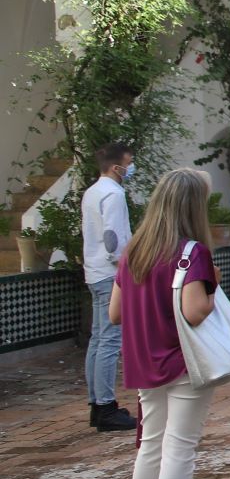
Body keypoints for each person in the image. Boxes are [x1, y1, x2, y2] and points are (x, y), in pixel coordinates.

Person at [110, 167, 223, 479]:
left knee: (151, 445)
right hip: (182, 362)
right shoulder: (193, 252)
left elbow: (114, 313)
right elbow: (195, 312)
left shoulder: (133, 251)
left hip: (143, 359)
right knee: (180, 448)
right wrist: (214, 290)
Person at [81, 140, 137, 433]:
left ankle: (97, 404)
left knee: (98, 339)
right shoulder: (113, 194)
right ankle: (105, 406)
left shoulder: (93, 192)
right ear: (117, 167)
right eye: (129, 164)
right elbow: (114, 239)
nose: (130, 169)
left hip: (94, 272)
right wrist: (125, 270)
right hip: (109, 274)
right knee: (110, 340)